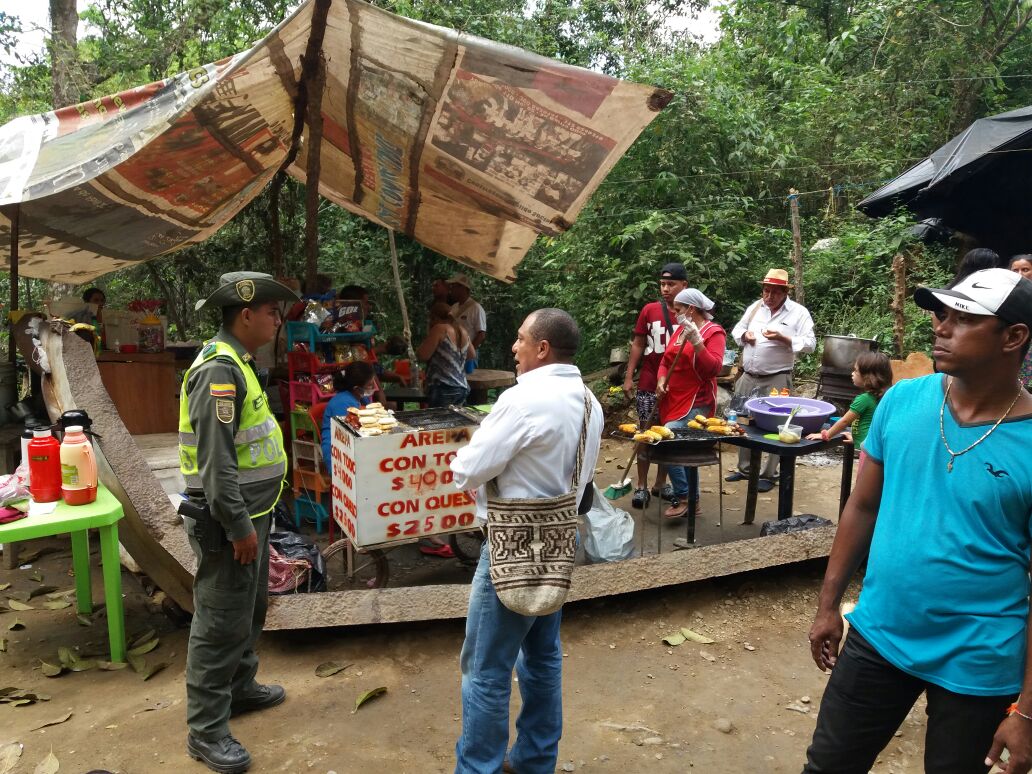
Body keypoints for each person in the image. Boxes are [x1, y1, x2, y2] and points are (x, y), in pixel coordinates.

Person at [802, 268, 1032, 774]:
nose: (940, 327)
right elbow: (862, 507)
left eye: (963, 319)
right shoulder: (903, 401)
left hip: (979, 660)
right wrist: (828, 604)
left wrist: (1026, 711)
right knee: (828, 765)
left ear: (1014, 337)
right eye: (941, 314)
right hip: (881, 630)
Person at [450, 308, 603, 774]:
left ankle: (479, 768)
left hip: (511, 548)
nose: (513, 348)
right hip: (557, 545)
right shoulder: (590, 402)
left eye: (520, 339)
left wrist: (464, 452)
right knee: (541, 658)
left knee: (485, 669)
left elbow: (468, 470)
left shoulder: (523, 399)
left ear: (542, 349)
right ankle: (536, 760)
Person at [178, 272, 300, 774]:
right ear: (246, 314)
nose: (277, 321)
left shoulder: (242, 365)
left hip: (255, 512)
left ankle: (240, 687)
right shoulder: (219, 371)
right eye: (272, 312)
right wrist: (238, 527)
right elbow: (217, 465)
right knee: (220, 619)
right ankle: (205, 730)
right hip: (229, 520)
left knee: (251, 606)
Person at [725, 268, 815, 492]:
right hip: (748, 375)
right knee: (743, 421)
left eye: (775, 292)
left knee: (776, 423)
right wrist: (745, 336)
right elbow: (738, 329)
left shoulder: (798, 312)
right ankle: (745, 468)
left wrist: (784, 338)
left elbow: (810, 344)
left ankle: (769, 473)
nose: (769, 296)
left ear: (785, 292)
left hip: (776, 377)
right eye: (766, 291)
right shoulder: (756, 308)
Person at [622, 262, 689, 509]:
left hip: (677, 388)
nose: (666, 289)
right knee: (645, 432)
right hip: (650, 382)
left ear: (685, 285)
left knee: (667, 435)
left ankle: (661, 484)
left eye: (671, 284)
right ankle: (641, 486)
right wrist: (630, 376)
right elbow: (638, 343)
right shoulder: (649, 310)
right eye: (662, 284)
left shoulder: (691, 314)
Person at [654, 288, 725, 519]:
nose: (675, 315)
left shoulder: (714, 333)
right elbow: (666, 360)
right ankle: (690, 498)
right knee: (676, 446)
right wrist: (661, 380)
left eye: (678, 310)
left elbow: (712, 369)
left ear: (691, 309)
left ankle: (686, 497)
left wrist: (697, 342)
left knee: (669, 439)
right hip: (673, 398)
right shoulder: (680, 331)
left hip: (697, 401)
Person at [805, 352, 892, 463]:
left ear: (868, 377)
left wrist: (826, 435)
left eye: (856, 371)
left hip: (866, 451)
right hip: (873, 446)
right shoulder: (882, 397)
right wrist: (857, 439)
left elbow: (844, 421)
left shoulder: (864, 399)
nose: (852, 374)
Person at [417, 301, 474, 408]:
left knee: (439, 422)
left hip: (443, 388)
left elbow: (422, 355)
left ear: (434, 318)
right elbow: (471, 354)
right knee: (456, 422)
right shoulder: (462, 330)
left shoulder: (440, 329)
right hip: (461, 387)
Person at [320, 360, 376, 464]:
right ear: (357, 388)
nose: (374, 388)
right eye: (370, 385)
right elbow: (348, 435)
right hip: (338, 453)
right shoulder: (342, 403)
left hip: (356, 445)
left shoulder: (361, 398)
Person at [448, 273, 487, 368]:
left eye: (454, 286)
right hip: (454, 353)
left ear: (462, 288)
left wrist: (468, 352)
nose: (451, 289)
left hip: (469, 355)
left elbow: (481, 335)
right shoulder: (454, 307)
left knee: (470, 380)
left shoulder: (476, 308)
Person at [1010, 256, 1032, 391]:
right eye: (1015, 270)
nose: (1019, 274)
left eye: (1025, 269)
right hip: (1015, 351)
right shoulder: (1006, 296)